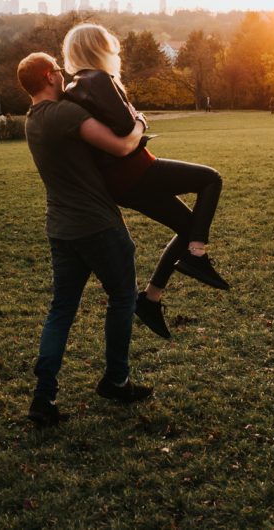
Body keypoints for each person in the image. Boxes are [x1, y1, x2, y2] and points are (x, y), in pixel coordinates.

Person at [59, 24, 228, 342]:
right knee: (210, 179)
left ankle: (150, 300)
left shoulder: (74, 86)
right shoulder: (97, 79)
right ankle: (196, 255)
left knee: (188, 224)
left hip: (121, 182)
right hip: (135, 170)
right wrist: (139, 119)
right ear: (99, 48)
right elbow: (125, 126)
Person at [17, 52, 154, 428]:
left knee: (61, 310)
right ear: (49, 75)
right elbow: (123, 145)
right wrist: (140, 120)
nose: (64, 77)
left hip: (60, 229)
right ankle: (116, 380)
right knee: (124, 297)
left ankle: (43, 399)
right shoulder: (64, 116)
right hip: (97, 225)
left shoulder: (32, 121)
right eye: (59, 72)